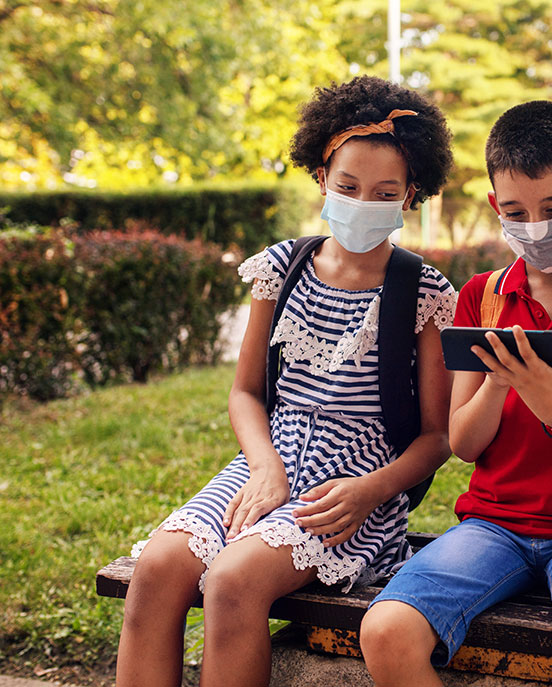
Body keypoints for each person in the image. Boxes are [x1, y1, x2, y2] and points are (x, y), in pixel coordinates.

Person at [115, 75, 456, 687]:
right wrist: (265, 466)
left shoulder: (423, 292)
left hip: (352, 492)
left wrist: (371, 491)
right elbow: (246, 392)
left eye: (384, 192)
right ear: (322, 178)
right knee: (158, 568)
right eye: (348, 186)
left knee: (232, 582)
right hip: (262, 465)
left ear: (411, 196)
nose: (362, 201)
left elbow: (438, 438)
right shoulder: (283, 268)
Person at [358, 100, 552, 687]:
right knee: (385, 630)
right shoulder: (483, 297)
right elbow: (465, 444)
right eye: (517, 212)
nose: (537, 227)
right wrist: (499, 382)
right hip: (494, 525)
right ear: (497, 205)